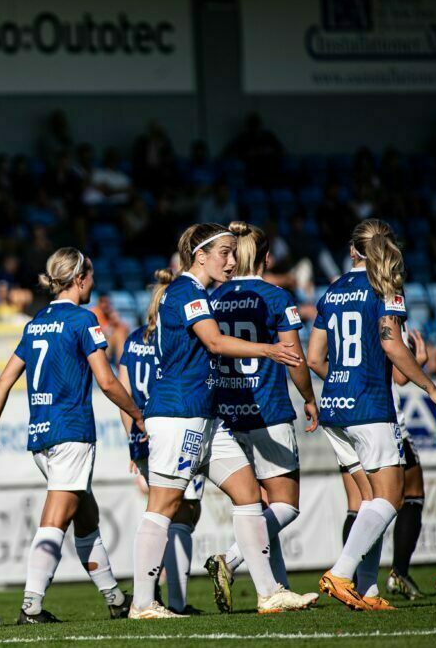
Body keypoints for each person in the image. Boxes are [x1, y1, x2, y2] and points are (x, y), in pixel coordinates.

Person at [128, 223, 318, 619]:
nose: (232, 261)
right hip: (180, 414)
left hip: (205, 416)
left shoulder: (195, 292)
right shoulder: (186, 291)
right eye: (225, 253)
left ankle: (269, 593)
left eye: (234, 253)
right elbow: (215, 341)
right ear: (200, 256)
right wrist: (268, 349)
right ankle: (142, 603)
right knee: (163, 504)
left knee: (248, 494)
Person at [0, 248, 144, 625]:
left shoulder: (36, 322)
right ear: (80, 279)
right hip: (71, 431)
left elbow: (4, 379)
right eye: (91, 276)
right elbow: (106, 381)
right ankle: (31, 606)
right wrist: (138, 415)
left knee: (86, 516)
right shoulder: (83, 320)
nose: (93, 282)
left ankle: (116, 599)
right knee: (54, 519)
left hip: (41, 435)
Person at [308, 219, 436, 611]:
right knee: (391, 497)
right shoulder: (385, 286)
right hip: (369, 405)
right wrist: (432, 388)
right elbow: (392, 345)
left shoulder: (332, 290)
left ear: (352, 250)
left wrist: (342, 381)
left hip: (334, 405)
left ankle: (367, 589)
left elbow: (314, 357)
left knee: (370, 500)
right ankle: (341, 573)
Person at [202, 222, 318, 611]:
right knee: (285, 505)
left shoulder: (214, 297)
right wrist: (309, 397)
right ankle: (230, 559)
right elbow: (294, 357)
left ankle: (276, 587)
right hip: (267, 409)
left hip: (227, 414)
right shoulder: (275, 296)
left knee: (259, 506)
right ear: (266, 258)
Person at [117, 270, 206, 615]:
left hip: (142, 433)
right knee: (181, 511)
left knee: (158, 510)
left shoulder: (132, 340)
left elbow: (124, 392)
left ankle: (149, 591)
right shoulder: (172, 339)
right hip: (174, 424)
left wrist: (133, 435)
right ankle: (174, 600)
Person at [384, 326, 428, 599]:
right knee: (412, 494)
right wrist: (418, 361)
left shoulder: (335, 307)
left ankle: (353, 580)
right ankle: (399, 572)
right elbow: (400, 376)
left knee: (358, 503)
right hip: (386, 419)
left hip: (347, 413)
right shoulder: (388, 312)